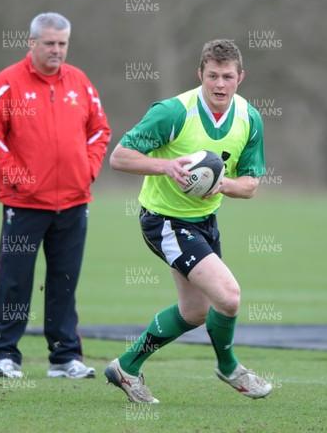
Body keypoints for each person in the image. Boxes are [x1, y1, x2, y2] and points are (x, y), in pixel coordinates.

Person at [104, 39, 272, 403]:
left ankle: (126, 367)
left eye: (228, 76)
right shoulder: (173, 111)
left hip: (205, 222)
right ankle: (229, 367)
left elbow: (251, 185)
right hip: (163, 220)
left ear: (240, 77)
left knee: (195, 311)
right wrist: (166, 165)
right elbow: (119, 157)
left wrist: (221, 183)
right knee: (228, 297)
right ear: (200, 75)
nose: (220, 84)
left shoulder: (249, 118)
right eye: (212, 75)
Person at [0, 12, 111, 379]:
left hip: (74, 201)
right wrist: (19, 178)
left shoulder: (80, 82)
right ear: (31, 42)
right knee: (15, 280)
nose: (57, 50)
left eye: (62, 43)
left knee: (64, 280)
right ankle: (5, 355)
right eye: (49, 43)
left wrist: (88, 170)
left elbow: (100, 131)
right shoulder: (8, 83)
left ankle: (64, 357)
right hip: (24, 204)